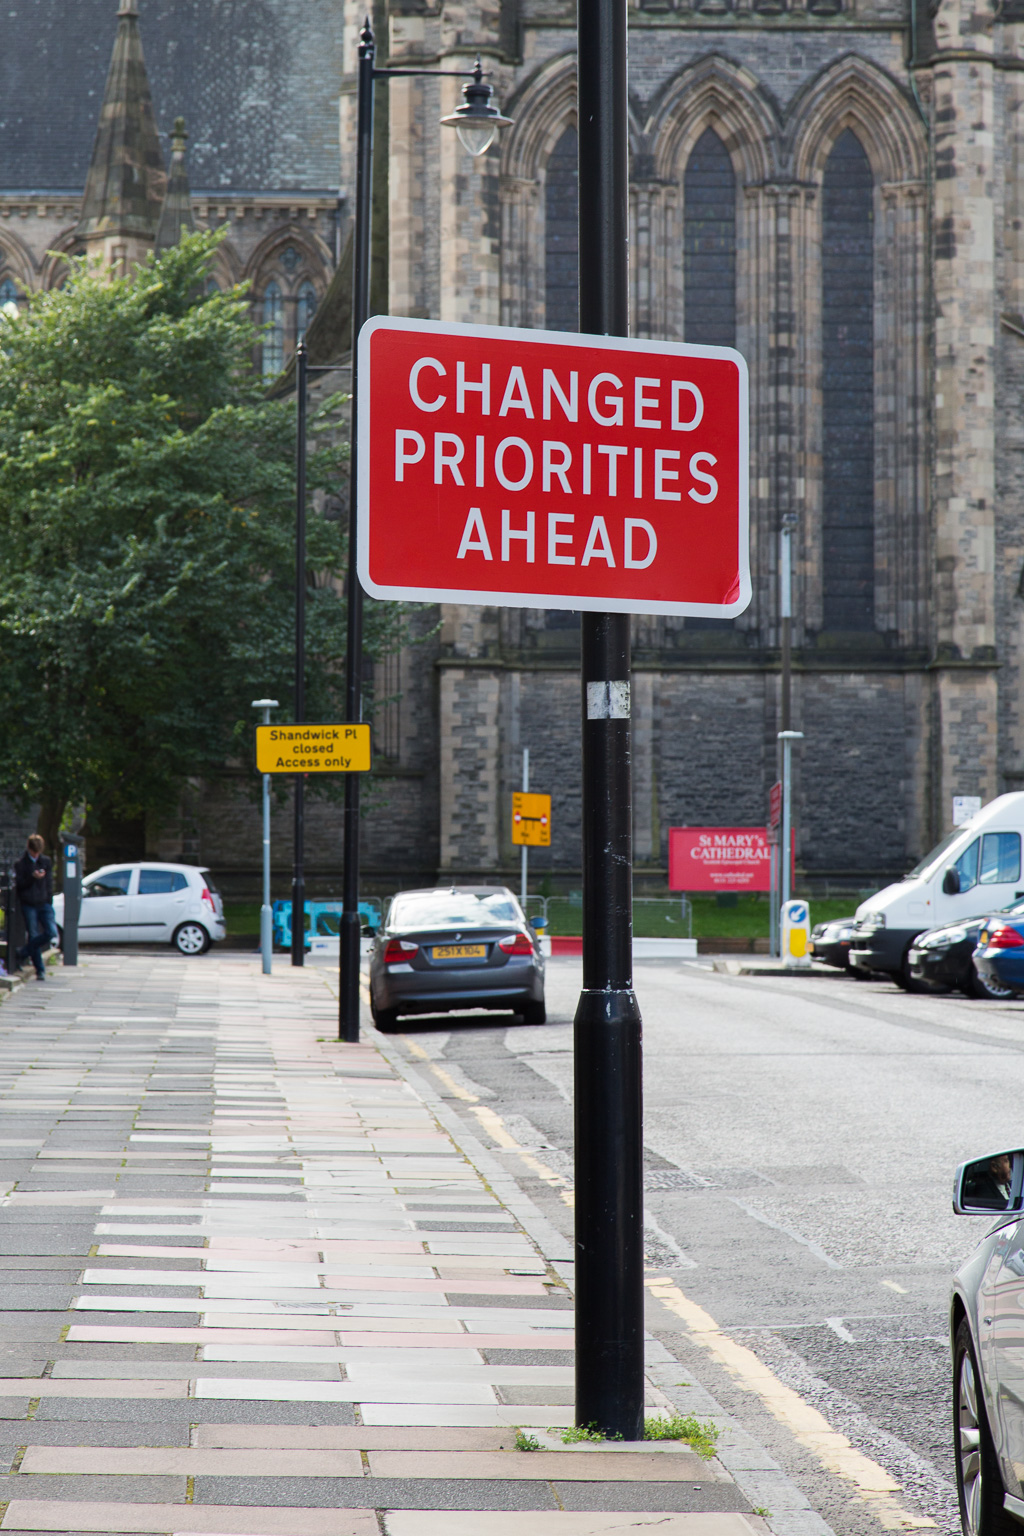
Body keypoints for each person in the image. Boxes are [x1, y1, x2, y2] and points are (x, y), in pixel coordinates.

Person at [14, 834, 55, 981]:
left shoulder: (45, 861)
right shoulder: (21, 864)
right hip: (29, 903)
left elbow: (49, 881)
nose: (36, 855)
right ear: (29, 849)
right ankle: (40, 970)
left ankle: (22, 952)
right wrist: (33, 877)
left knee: (51, 932)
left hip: (43, 902)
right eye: (34, 852)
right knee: (33, 935)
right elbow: (20, 885)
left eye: (38, 852)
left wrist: (49, 899)